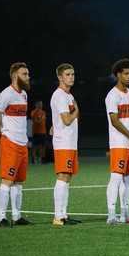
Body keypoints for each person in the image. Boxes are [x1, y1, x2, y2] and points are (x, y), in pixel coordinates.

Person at [0, 62, 34, 227]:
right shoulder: (6, 94)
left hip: (22, 143)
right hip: (10, 142)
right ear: (16, 76)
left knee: (19, 182)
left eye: (28, 74)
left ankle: (16, 216)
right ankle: (2, 218)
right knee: (7, 181)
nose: (28, 77)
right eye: (25, 74)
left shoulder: (23, 95)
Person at [104, 58, 129, 225]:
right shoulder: (112, 95)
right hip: (119, 143)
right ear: (118, 75)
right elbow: (114, 121)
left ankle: (125, 214)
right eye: (126, 73)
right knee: (116, 178)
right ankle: (112, 216)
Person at [50, 64, 80, 226]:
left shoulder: (68, 95)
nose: (71, 77)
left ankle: (64, 214)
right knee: (63, 176)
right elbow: (67, 120)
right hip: (63, 143)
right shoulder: (60, 95)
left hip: (70, 142)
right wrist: (76, 110)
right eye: (68, 74)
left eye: (73, 74)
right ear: (60, 77)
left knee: (67, 177)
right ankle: (57, 216)